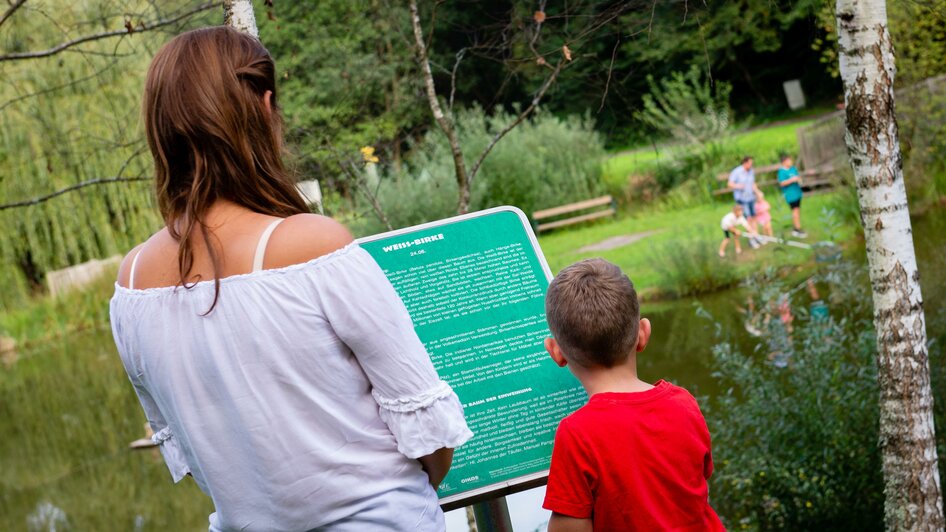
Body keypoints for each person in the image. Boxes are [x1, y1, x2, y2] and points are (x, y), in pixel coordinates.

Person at [109, 27, 472, 531]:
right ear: (264, 107)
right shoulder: (314, 245)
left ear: (160, 129)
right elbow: (430, 437)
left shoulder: (130, 283)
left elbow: (192, 451)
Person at [541, 259, 724, 532]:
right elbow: (699, 479)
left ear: (556, 352)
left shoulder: (577, 434)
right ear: (643, 334)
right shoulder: (683, 402)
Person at [728, 156, 762, 238]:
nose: (751, 165)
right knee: (748, 218)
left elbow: (753, 183)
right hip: (742, 199)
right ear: (745, 163)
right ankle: (751, 238)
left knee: (754, 216)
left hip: (751, 197)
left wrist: (758, 192)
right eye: (750, 163)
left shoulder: (751, 171)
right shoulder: (736, 172)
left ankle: (756, 236)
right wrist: (738, 186)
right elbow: (729, 184)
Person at [777, 155, 807, 237]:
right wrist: (791, 180)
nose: (791, 162)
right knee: (795, 211)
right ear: (784, 162)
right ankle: (797, 229)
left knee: (797, 210)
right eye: (789, 160)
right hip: (790, 195)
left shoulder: (793, 168)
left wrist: (799, 180)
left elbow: (797, 177)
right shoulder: (781, 172)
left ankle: (796, 228)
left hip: (797, 193)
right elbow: (782, 183)